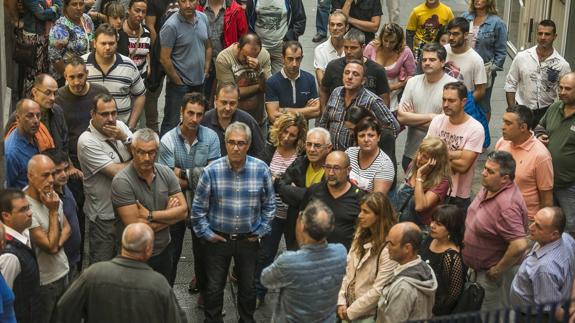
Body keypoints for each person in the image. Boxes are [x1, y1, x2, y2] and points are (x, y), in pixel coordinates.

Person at [191, 121, 276, 323]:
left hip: (249, 241)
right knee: (213, 288)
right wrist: (208, 235)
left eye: (241, 143)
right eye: (231, 142)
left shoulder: (261, 169)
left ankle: (246, 320)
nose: (236, 147)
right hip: (218, 240)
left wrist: (261, 230)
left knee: (248, 289)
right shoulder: (211, 171)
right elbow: (197, 211)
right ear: (225, 143)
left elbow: (270, 205)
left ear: (248, 144)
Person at [55, 223, 187, 323]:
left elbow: (64, 309)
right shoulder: (159, 285)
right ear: (148, 250)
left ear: (123, 244)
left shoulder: (93, 274)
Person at [158, 92, 221, 289]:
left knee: (203, 256)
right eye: (190, 113)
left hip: (203, 205)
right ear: (181, 112)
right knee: (172, 255)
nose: (194, 119)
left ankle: (204, 294)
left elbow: (213, 177)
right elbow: (168, 181)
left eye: (199, 114)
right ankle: (166, 297)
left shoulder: (211, 137)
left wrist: (182, 173)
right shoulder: (167, 140)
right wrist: (197, 176)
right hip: (176, 205)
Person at [111, 128, 189, 281]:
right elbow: (136, 229)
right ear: (133, 150)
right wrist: (170, 216)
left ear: (157, 151)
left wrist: (150, 215)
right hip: (134, 255)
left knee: (163, 296)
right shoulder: (122, 182)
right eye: (141, 152)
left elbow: (184, 211)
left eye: (151, 152)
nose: (146, 158)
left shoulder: (165, 172)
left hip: (163, 251)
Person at [463, 151, 529, 312]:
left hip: (491, 277)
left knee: (492, 316)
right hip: (478, 269)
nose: (483, 173)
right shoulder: (490, 187)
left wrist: (497, 270)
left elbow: (519, 244)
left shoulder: (508, 205)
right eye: (485, 168)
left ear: (505, 178)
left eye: (490, 171)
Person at [261, 200, 347, 322]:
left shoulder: (289, 261)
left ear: (302, 226)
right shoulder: (341, 252)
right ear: (331, 227)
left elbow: (266, 279)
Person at [254, 112, 307, 306]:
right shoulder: (269, 150)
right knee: (265, 254)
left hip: (293, 214)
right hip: (272, 212)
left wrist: (276, 181)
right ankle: (258, 292)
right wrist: (282, 184)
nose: (286, 137)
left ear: (298, 136)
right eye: (285, 132)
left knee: (295, 254)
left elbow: (300, 189)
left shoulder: (302, 157)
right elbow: (259, 176)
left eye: (292, 134)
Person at [78, 93, 133, 264]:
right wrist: (138, 162)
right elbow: (117, 172)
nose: (111, 119)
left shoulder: (121, 127)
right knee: (102, 266)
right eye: (104, 114)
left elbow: (145, 152)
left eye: (113, 113)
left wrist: (124, 138)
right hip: (104, 217)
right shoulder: (87, 141)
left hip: (127, 210)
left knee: (125, 263)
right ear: (92, 114)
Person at [337, 192, 398, 321]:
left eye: (366, 212)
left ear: (379, 216)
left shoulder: (389, 248)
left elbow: (378, 290)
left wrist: (351, 312)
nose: (360, 215)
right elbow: (348, 268)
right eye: (360, 210)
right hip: (347, 307)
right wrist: (341, 300)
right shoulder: (361, 233)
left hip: (369, 315)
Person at [397, 43, 457, 170]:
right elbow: (401, 117)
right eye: (424, 60)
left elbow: (445, 126)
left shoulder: (453, 86)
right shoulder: (412, 82)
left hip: (437, 155)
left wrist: (412, 119)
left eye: (432, 59)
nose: (427, 63)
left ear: (442, 62)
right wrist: (432, 117)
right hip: (411, 153)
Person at [25, 155, 71, 323]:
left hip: (63, 271)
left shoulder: (51, 195)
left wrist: (56, 243)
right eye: (45, 175)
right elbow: (49, 247)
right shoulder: (25, 207)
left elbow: (67, 227)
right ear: (30, 176)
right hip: (44, 282)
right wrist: (52, 211)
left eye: (53, 174)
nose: (51, 180)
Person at [426, 82, 484, 211]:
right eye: (444, 100)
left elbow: (463, 166)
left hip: (458, 195)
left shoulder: (475, 128)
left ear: (463, 102)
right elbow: (425, 153)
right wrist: (457, 153)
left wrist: (438, 154)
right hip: (432, 187)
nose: (446, 104)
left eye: (451, 100)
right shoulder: (437, 121)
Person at [510, 207, 575, 321]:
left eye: (538, 226)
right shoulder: (566, 238)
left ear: (554, 234)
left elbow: (554, 309)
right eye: (534, 221)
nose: (531, 227)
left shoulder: (544, 268)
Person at [319, 59, 399, 151]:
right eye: (347, 72)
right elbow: (324, 122)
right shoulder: (336, 92)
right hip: (332, 155)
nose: (349, 77)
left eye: (355, 74)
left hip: (357, 158)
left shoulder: (372, 100)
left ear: (363, 81)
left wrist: (373, 149)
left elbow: (393, 127)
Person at [274, 127, 333, 250]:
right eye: (309, 144)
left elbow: (322, 200)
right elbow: (281, 187)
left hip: (321, 232)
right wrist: (304, 194)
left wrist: (294, 192)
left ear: (329, 148)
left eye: (317, 146)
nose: (311, 149)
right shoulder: (300, 162)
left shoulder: (333, 169)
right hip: (294, 228)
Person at [159, 0, 212, 136]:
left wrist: (206, 67)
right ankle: (165, 156)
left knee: (197, 121)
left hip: (199, 82)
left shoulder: (203, 18)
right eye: (183, 1)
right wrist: (178, 81)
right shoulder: (171, 26)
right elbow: (164, 58)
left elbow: (208, 45)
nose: (188, 5)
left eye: (192, 0)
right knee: (171, 123)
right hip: (179, 86)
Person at [505, 19, 571, 127]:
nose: (543, 37)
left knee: (541, 141)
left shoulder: (562, 65)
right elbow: (510, 84)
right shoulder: (522, 57)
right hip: (522, 109)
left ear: (555, 36)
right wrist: (512, 110)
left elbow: (566, 92)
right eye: (540, 33)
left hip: (547, 112)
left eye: (547, 34)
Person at [83, 23, 146, 129]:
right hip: (90, 132)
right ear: (94, 43)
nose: (107, 47)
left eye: (111, 43)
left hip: (120, 130)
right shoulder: (82, 65)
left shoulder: (128, 65)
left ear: (117, 44)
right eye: (103, 43)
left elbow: (140, 95)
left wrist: (130, 127)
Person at [496, 105, 553, 220]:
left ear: (523, 127)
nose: (502, 127)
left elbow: (547, 199)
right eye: (503, 122)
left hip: (524, 220)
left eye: (508, 123)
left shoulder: (541, 156)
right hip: (498, 213)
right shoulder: (502, 143)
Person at [535, 72, 575, 235]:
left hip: (569, 185)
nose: (562, 92)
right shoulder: (554, 107)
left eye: (568, 89)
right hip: (547, 182)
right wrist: (540, 135)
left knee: (570, 226)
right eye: (561, 87)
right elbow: (539, 126)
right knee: (548, 224)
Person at [301, 151, 365, 250]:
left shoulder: (359, 197)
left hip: (345, 258)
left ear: (348, 170)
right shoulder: (314, 191)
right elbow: (301, 219)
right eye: (327, 167)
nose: (330, 173)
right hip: (314, 254)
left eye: (336, 168)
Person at [376, 222, 438, 323]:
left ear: (407, 248)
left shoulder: (403, 288)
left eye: (391, 244)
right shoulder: (427, 269)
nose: (387, 248)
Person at [215, 33, 272, 135]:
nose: (249, 61)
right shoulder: (224, 58)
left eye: (255, 56)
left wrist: (259, 70)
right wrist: (259, 87)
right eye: (245, 56)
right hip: (232, 122)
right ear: (238, 47)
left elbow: (268, 88)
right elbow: (231, 94)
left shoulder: (264, 55)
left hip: (258, 121)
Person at [320, 29, 391, 110]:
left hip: (365, 118)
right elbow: (323, 90)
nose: (348, 51)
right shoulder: (333, 66)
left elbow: (384, 99)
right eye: (346, 47)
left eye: (353, 48)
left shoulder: (377, 70)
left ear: (363, 47)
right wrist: (324, 110)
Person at [0, 189, 42, 323]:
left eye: (28, 207)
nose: (30, 213)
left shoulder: (24, 233)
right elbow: (4, 302)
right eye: (23, 210)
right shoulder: (9, 256)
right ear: (6, 215)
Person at [462, 0, 508, 121]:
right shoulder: (465, 18)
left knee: (482, 104)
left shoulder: (497, 23)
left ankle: (482, 134)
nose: (477, 0)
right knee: (462, 98)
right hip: (464, 66)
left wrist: (491, 70)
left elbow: (501, 51)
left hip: (484, 69)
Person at [41, 149, 82, 278]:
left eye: (65, 169)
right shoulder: (47, 200)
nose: (64, 175)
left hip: (73, 260)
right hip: (58, 265)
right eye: (57, 172)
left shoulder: (65, 187)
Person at [196, 0, 248, 100]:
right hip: (201, 60)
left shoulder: (236, 9)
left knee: (225, 98)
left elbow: (243, 37)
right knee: (200, 98)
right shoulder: (197, 7)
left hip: (226, 62)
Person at [201, 82, 267, 161]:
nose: (228, 108)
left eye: (232, 103)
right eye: (224, 102)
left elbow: (261, 153)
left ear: (237, 102)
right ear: (216, 100)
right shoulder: (204, 120)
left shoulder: (248, 122)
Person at [394, 137, 450, 227]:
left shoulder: (441, 182)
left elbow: (420, 206)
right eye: (420, 153)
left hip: (418, 228)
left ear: (436, 161)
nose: (419, 158)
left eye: (425, 157)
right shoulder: (413, 165)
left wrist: (419, 176)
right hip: (399, 221)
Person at [420, 205, 466, 316]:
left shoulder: (452, 257)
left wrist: (434, 313)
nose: (432, 225)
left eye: (438, 224)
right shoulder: (431, 238)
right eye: (433, 221)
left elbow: (453, 294)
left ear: (451, 228)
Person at [144, 0, 180, 133]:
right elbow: (150, 26)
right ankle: (152, 128)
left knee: (177, 90)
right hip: (158, 51)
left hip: (178, 53)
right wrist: (159, 48)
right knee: (153, 91)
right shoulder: (154, 2)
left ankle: (175, 128)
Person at [363, 22, 416, 110]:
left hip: (394, 94)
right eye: (385, 40)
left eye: (392, 42)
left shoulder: (405, 51)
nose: (387, 45)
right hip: (371, 88)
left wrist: (396, 86)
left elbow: (412, 75)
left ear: (398, 41)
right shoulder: (371, 47)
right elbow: (362, 67)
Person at [265, 41, 320, 124]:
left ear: (302, 58)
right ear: (282, 59)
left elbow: (316, 111)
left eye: (298, 59)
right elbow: (273, 117)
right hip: (279, 134)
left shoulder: (310, 79)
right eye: (290, 59)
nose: (294, 64)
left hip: (303, 133)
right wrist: (306, 110)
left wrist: (285, 110)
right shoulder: (271, 82)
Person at [245, 0, 306, 74]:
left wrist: (288, 38)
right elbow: (247, 21)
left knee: (281, 80)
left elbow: (300, 21)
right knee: (258, 79)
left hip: (281, 47)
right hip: (259, 48)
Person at [18, 0, 62, 97]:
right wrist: (54, 8)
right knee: (33, 73)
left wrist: (52, 10)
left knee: (47, 71)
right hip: (34, 37)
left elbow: (60, 8)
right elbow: (41, 15)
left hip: (50, 36)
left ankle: (44, 101)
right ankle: (30, 102)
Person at [48, 0, 95, 83]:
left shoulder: (86, 19)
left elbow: (92, 40)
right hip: (66, 77)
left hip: (86, 73)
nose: (78, 8)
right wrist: (69, 77)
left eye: (81, 4)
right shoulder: (60, 26)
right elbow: (55, 58)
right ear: (66, 6)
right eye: (74, 4)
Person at [345, 117, 394, 193]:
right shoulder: (349, 153)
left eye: (371, 135)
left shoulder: (385, 165)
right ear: (356, 138)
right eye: (361, 136)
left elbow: (376, 201)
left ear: (378, 137)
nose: (366, 139)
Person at [444, 17, 487, 104]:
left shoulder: (476, 60)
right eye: (449, 33)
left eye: (456, 34)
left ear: (466, 35)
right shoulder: (442, 51)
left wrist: (465, 105)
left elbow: (480, 90)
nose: (451, 37)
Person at [5, 99, 43, 189]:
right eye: (30, 116)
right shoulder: (11, 153)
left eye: (38, 115)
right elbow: (5, 190)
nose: (36, 121)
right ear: (18, 118)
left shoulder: (35, 136)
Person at [405, 0, 454, 64]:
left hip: (439, 52)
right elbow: (409, 34)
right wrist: (411, 55)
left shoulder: (447, 11)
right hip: (419, 53)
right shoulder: (416, 11)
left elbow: (453, 31)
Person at [117, 0, 151, 82]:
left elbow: (148, 51)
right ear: (128, 10)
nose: (140, 15)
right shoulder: (118, 32)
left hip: (141, 80)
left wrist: (149, 66)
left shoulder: (146, 31)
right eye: (137, 10)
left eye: (143, 12)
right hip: (123, 79)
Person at [314, 10, 347, 87]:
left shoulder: (352, 48)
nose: (335, 28)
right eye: (332, 25)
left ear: (346, 27)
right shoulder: (320, 50)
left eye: (339, 25)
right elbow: (322, 83)